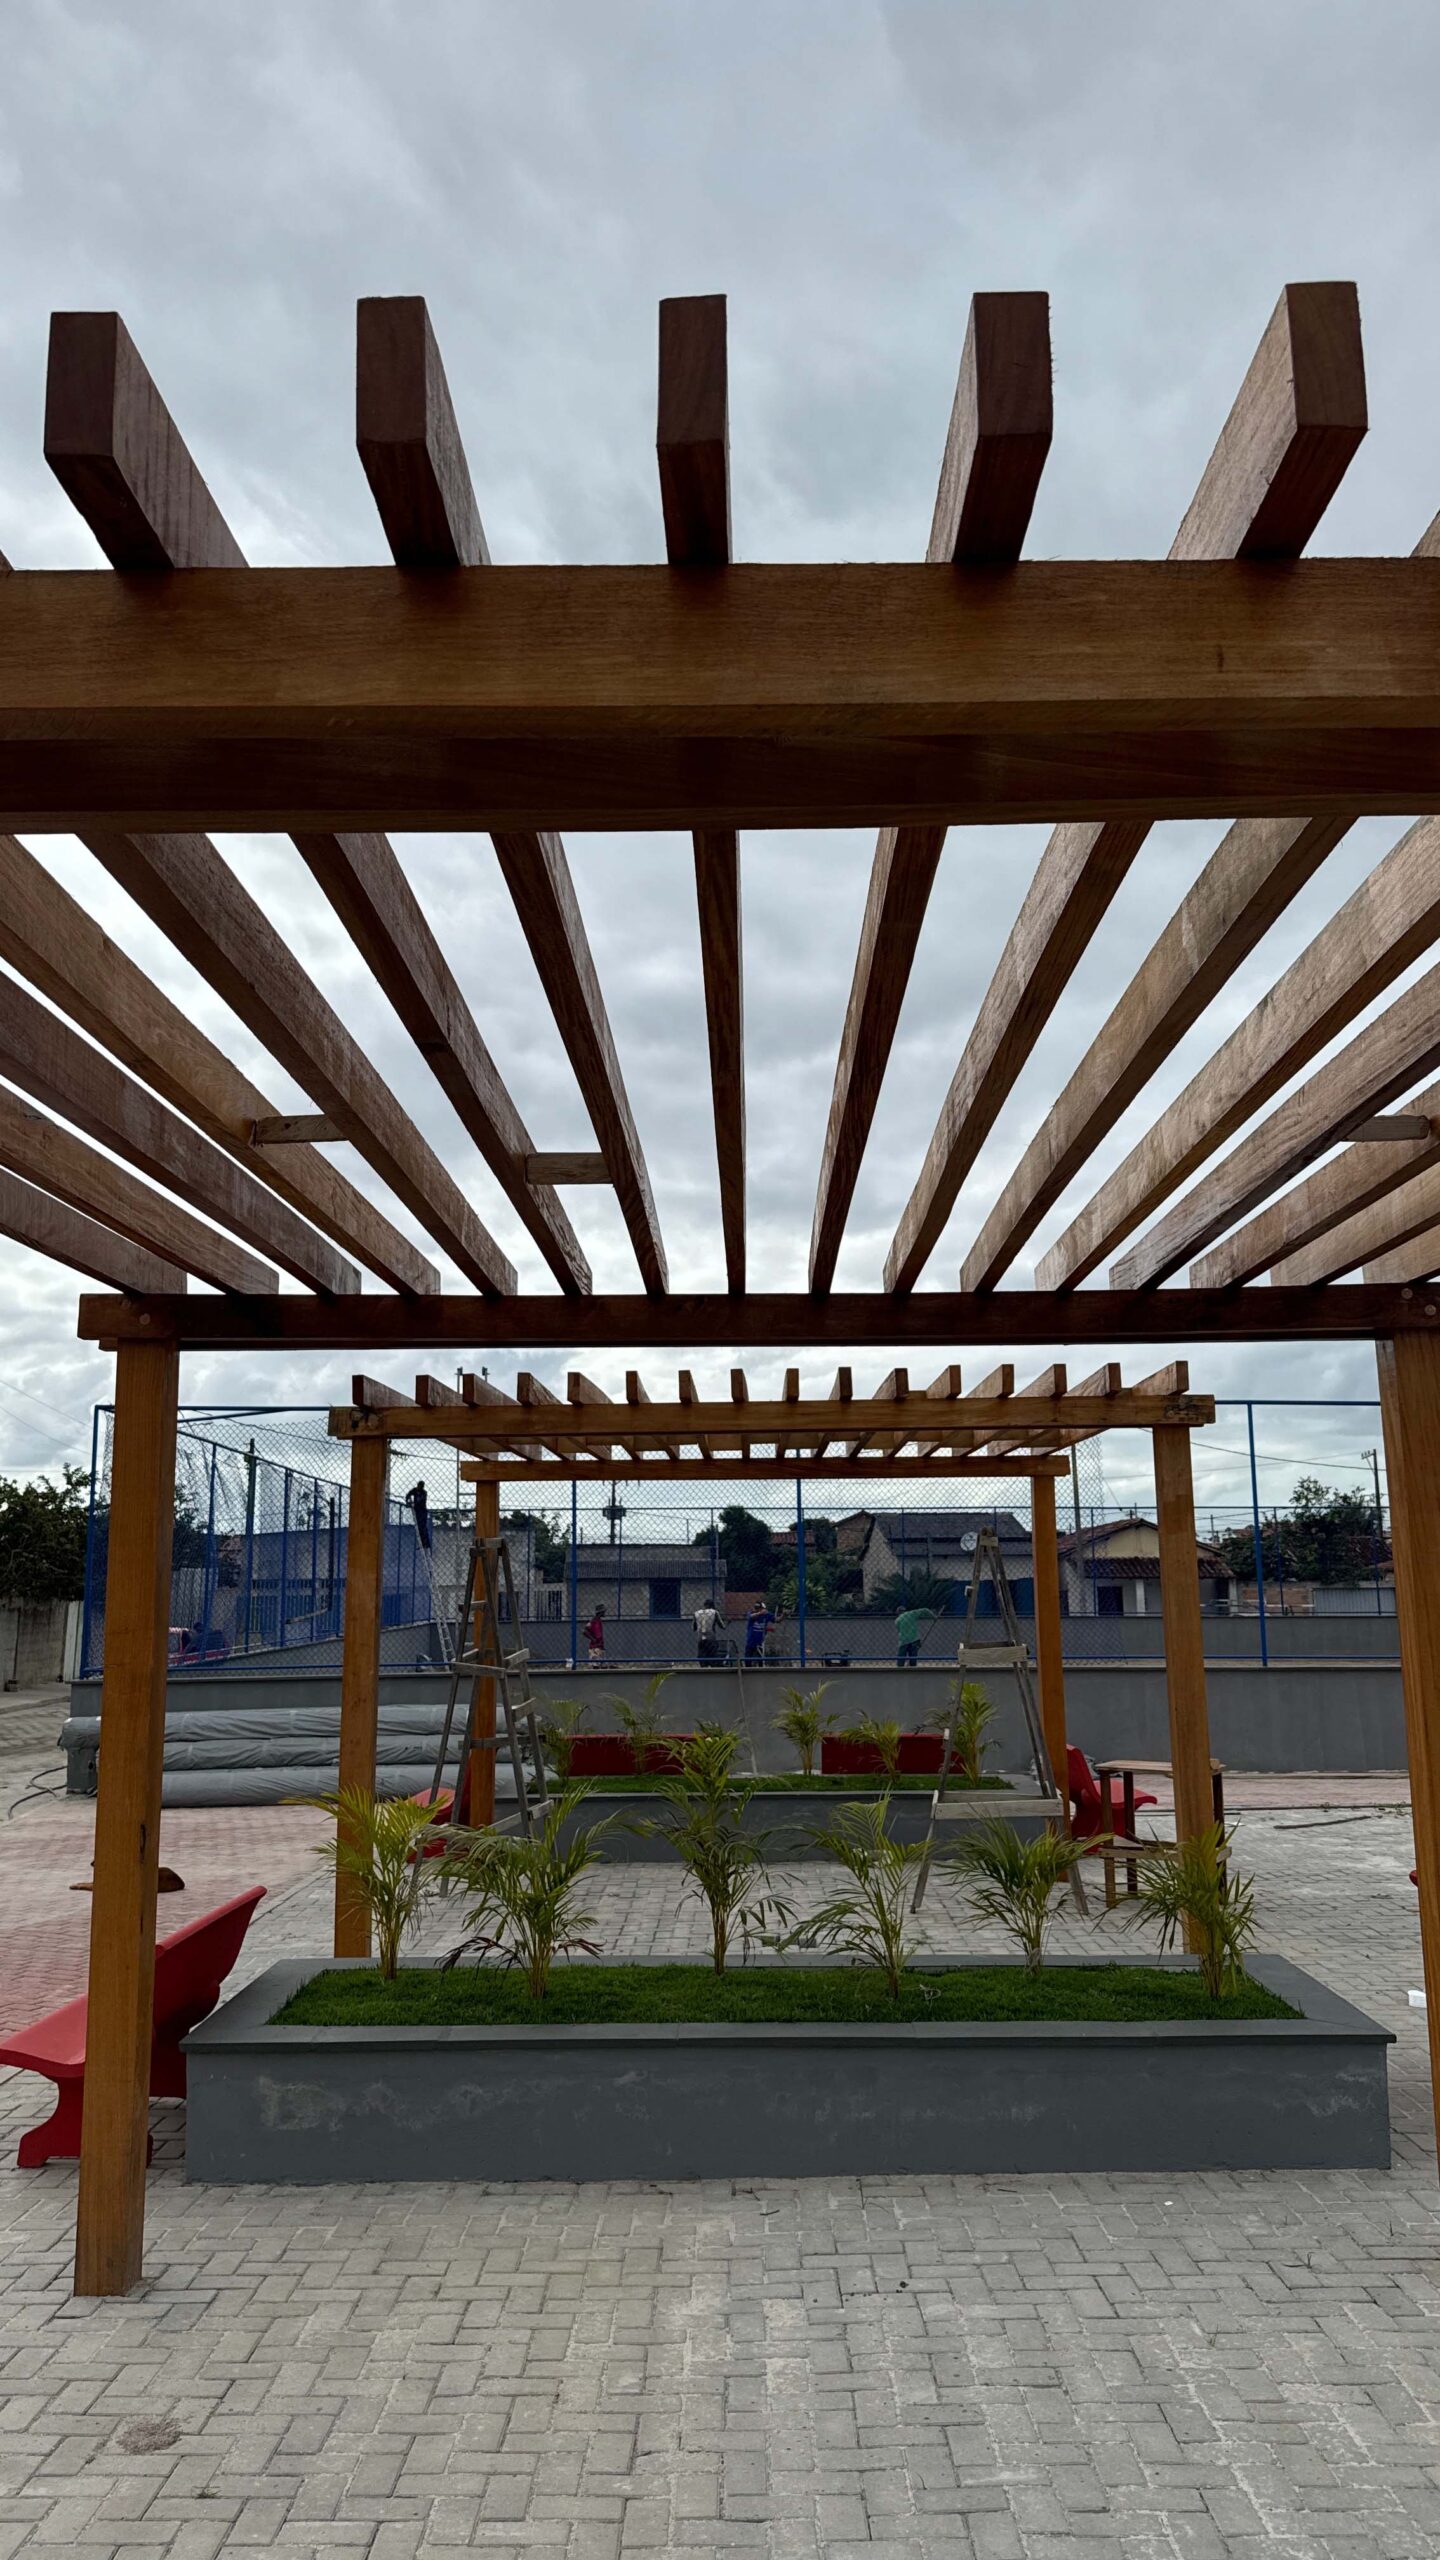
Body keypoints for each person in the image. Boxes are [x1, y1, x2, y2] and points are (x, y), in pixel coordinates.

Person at [895, 1601, 940, 1668]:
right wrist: (934, 1617)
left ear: (898, 1613)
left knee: (900, 1660)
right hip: (914, 1639)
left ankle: (899, 1670)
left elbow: (899, 1631)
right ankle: (913, 1670)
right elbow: (925, 1610)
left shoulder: (897, 1620)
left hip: (903, 1641)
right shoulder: (912, 1613)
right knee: (913, 1659)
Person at [743, 1602, 776, 1667]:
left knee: (760, 1659)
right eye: (756, 1608)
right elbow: (750, 1616)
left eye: (759, 1608)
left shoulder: (766, 1615)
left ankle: (760, 1669)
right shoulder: (752, 1613)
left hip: (760, 1642)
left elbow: (776, 1619)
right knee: (748, 1659)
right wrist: (760, 1613)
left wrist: (783, 1615)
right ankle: (748, 1670)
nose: (757, 1610)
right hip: (751, 1641)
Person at [693, 1596, 722, 1665]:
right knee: (713, 1656)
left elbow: (694, 1628)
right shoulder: (715, 1612)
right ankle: (712, 1665)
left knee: (702, 1655)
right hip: (711, 1637)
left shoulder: (697, 1613)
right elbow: (722, 1626)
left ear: (704, 1605)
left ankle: (703, 1666)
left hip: (701, 1637)